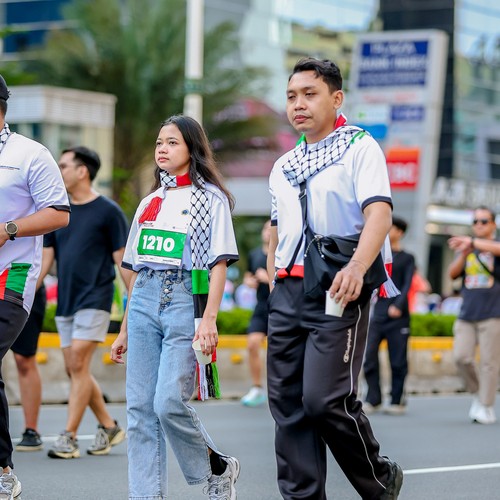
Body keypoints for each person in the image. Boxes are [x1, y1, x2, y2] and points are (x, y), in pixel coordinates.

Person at [266, 58, 403, 500]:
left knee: (324, 399)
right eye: (292, 96)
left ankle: (380, 481)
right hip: (288, 291)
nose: (299, 104)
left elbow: (379, 213)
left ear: (336, 98)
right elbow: (277, 230)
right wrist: (273, 279)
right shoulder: (284, 165)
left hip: (339, 286)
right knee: (287, 405)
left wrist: (358, 267)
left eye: (310, 94)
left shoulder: (359, 147)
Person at [110, 115, 240, 499]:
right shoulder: (149, 202)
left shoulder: (210, 199)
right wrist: (124, 328)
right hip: (144, 298)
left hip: (185, 298)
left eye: (172, 143)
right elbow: (133, 269)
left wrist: (209, 319)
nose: (162, 149)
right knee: (139, 410)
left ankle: (216, 466)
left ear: (192, 148)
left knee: (167, 401)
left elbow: (218, 264)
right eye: (159, 143)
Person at [0, 73, 70, 498]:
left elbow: (59, 213)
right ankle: (3, 469)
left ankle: (3, 472)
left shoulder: (29, 154)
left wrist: (9, 229)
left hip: (13, 274)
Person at [41, 146, 130, 459]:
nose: (58, 171)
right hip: (66, 301)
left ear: (82, 171)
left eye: (63, 166)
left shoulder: (109, 211)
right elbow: (45, 260)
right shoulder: (57, 211)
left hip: (96, 297)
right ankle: (109, 425)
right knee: (74, 369)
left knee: (78, 362)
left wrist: (135, 302)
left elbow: (123, 261)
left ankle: (69, 437)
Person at [448, 206, 500, 425]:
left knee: (489, 362)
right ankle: (479, 393)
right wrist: (464, 253)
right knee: (461, 357)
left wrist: (472, 242)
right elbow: (452, 274)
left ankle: (486, 406)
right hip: (467, 312)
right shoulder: (468, 248)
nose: (479, 225)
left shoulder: (493, 245)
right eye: (475, 221)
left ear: (493, 224)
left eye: (483, 221)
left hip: (493, 312)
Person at [363, 216, 415, 415]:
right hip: (377, 315)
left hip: (398, 316)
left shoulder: (407, 258)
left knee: (397, 360)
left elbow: (407, 284)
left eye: (391, 228)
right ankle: (373, 399)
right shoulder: (377, 254)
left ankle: (396, 399)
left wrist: (398, 305)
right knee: (369, 357)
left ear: (399, 232)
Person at [12, 284, 47, 451]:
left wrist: (28, 290)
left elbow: (43, 265)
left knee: (24, 359)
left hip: (22, 288)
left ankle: (31, 430)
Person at [241, 219, 271, 407]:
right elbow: (247, 276)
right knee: (252, 344)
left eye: (271, 228)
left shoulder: (282, 254)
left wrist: (267, 279)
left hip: (280, 306)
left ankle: (280, 388)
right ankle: (257, 388)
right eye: (265, 228)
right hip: (261, 307)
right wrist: (249, 282)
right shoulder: (255, 254)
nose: (268, 232)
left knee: (278, 350)